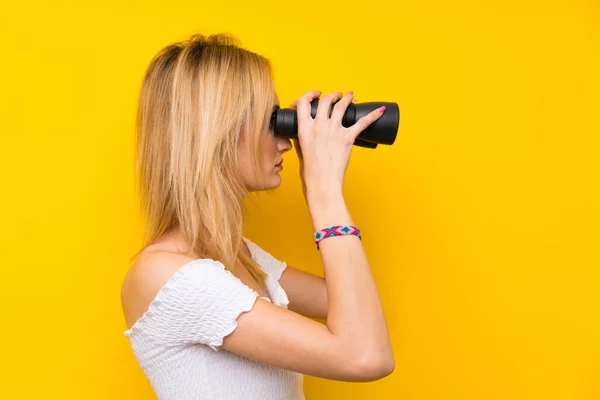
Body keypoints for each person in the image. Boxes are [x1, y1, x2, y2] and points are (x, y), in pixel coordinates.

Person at [120, 32, 395, 400]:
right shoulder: (171, 277)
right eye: (272, 121)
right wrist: (325, 193)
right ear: (218, 130)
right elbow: (365, 355)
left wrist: (318, 175)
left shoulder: (237, 255)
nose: (285, 142)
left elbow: (354, 308)